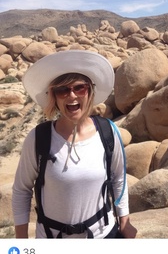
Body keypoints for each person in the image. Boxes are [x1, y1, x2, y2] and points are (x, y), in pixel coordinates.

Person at [12, 50, 136, 239]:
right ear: (54, 96)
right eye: (63, 90)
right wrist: (21, 242)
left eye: (80, 88)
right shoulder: (39, 138)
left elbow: (119, 178)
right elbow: (22, 190)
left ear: (90, 91)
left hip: (103, 236)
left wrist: (124, 221)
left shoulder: (108, 132)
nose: (72, 96)